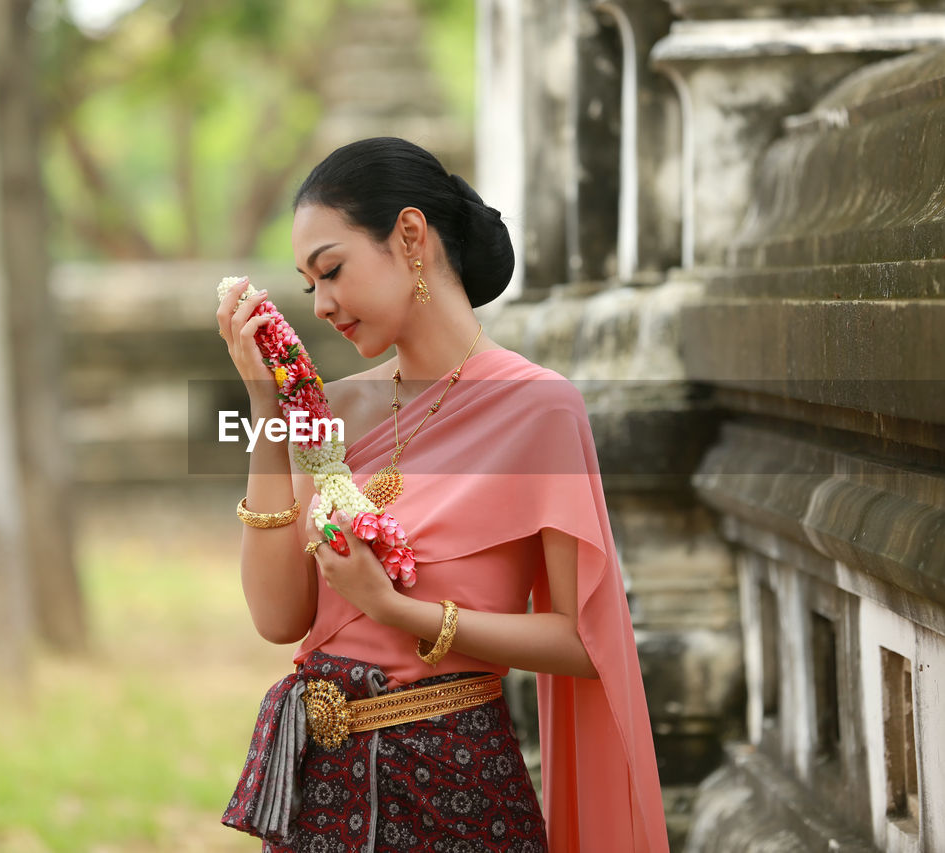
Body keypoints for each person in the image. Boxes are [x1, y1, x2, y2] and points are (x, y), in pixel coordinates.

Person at [216, 137, 668, 853]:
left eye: (332, 270)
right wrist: (268, 408)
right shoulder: (328, 411)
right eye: (309, 286)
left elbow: (586, 641)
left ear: (411, 235)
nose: (324, 304)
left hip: (453, 789)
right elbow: (278, 616)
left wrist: (400, 609)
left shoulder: (539, 409)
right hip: (320, 799)